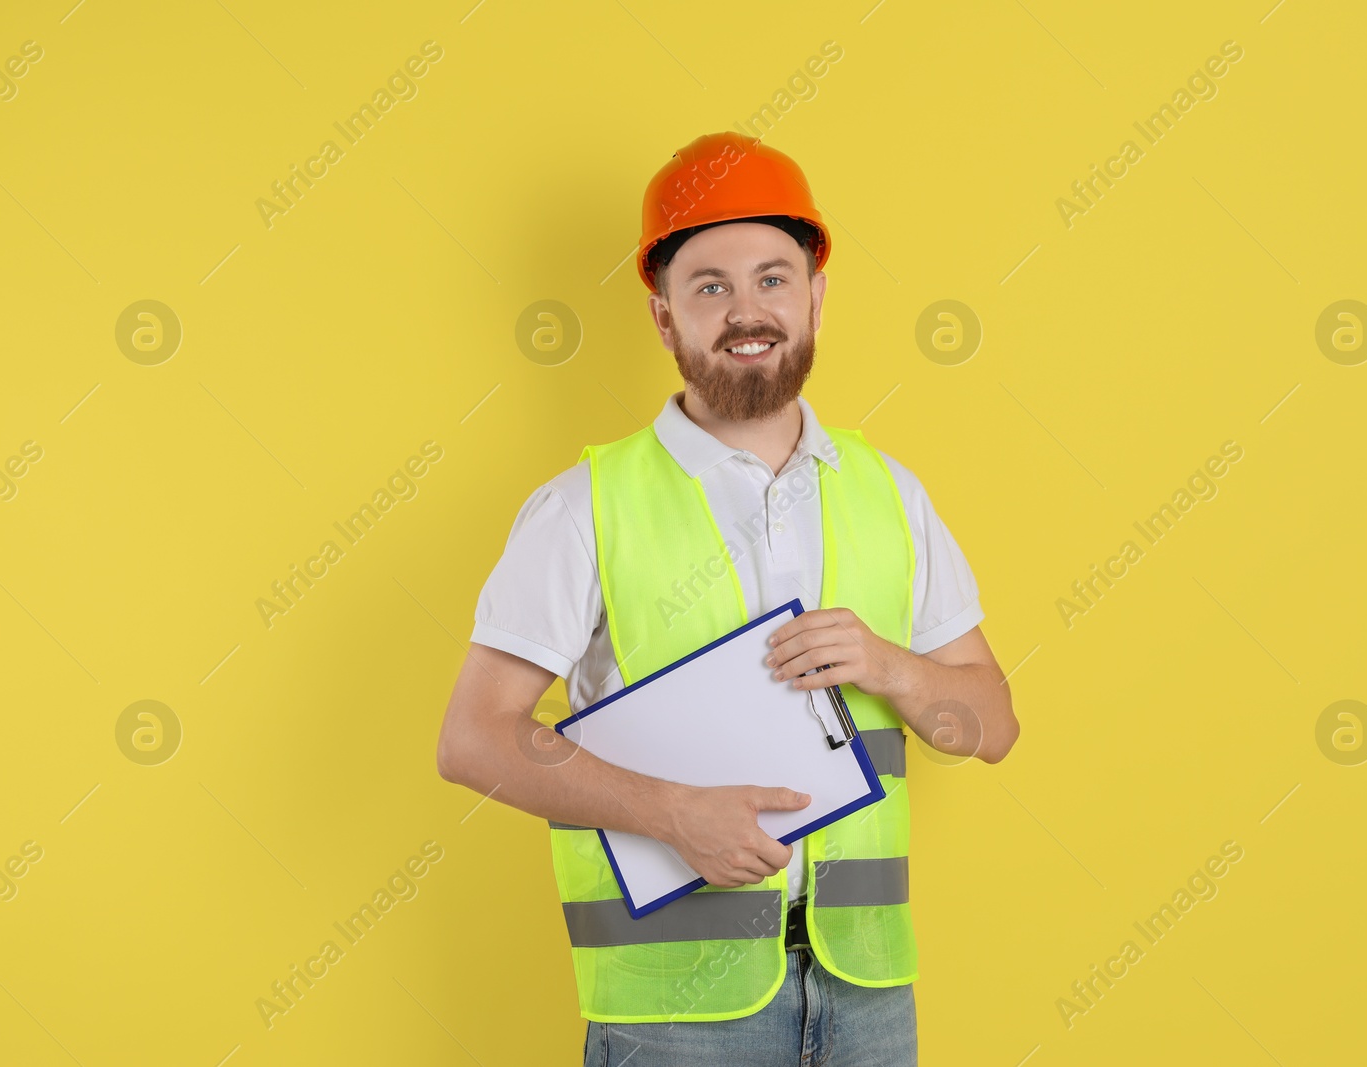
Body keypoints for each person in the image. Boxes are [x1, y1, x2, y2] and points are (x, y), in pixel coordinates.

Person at [436, 131, 1019, 1066]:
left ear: (816, 298)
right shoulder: (585, 506)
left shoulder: (890, 492)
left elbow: (987, 725)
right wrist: (670, 813)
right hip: (675, 1009)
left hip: (866, 991)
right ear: (664, 315)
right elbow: (474, 738)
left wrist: (889, 665)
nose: (748, 311)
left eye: (772, 279)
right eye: (710, 285)